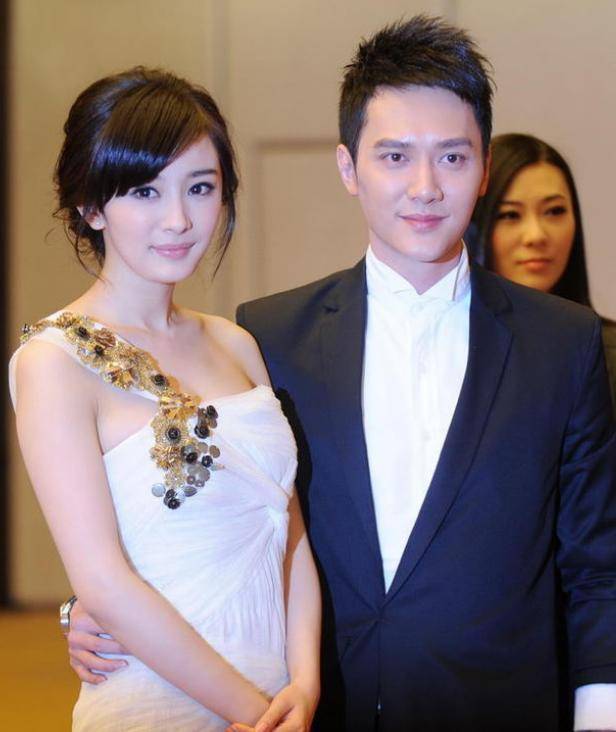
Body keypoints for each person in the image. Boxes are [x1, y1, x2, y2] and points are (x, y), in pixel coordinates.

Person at [66, 17, 616, 732]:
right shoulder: (270, 336)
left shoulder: (565, 344)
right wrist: (87, 610)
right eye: (395, 156)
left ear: (483, 168)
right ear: (349, 168)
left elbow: (598, 565)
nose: (425, 187)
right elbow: (227, 518)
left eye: (452, 157)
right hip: (318, 708)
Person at [10, 67, 320, 731]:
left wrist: (305, 683)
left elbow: (288, 531)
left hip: (282, 699)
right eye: (145, 191)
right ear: (91, 206)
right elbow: (103, 583)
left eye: (200, 188)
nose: (179, 219)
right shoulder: (53, 363)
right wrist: (257, 715)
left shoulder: (235, 343)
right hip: (158, 704)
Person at [466, 132, 616, 409]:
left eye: (554, 211)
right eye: (510, 215)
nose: (536, 235)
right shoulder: (450, 351)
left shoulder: (607, 353)